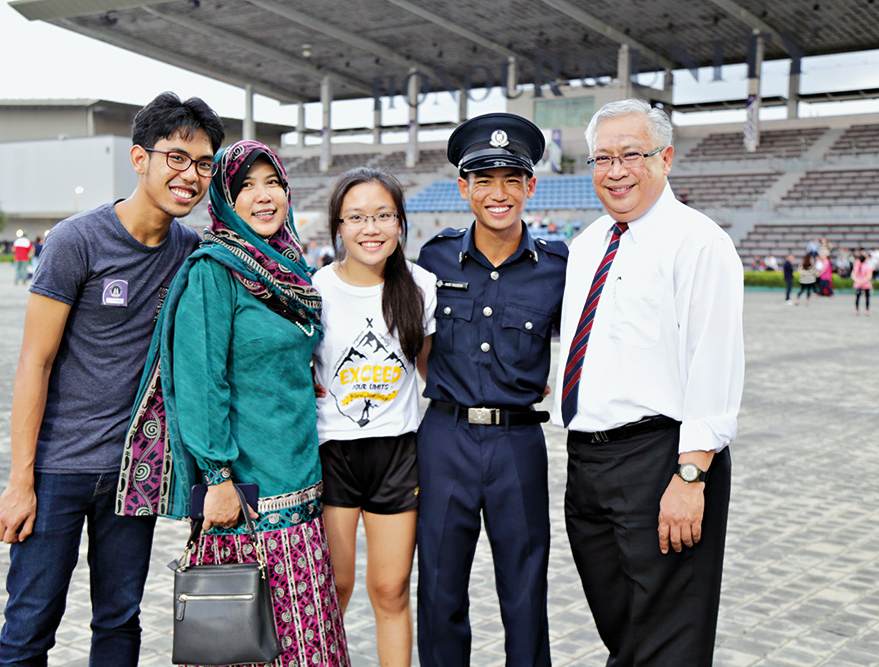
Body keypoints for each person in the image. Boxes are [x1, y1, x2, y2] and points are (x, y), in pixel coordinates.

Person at [0, 91, 224, 666]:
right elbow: (34, 362)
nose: (190, 176)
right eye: (176, 158)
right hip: (58, 470)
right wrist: (21, 481)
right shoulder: (78, 241)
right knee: (29, 626)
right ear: (139, 159)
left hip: (136, 475)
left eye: (203, 164)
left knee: (119, 622)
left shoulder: (191, 251)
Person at [117, 140, 351, 666]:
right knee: (251, 644)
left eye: (273, 183)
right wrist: (217, 478)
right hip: (246, 498)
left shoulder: (287, 267)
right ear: (224, 198)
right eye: (246, 185)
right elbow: (201, 382)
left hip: (301, 484)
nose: (263, 196)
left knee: (309, 643)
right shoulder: (214, 271)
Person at [554, 99, 744, 667]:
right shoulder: (588, 245)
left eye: (630, 155)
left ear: (665, 159)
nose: (615, 170)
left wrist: (690, 476)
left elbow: (714, 363)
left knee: (669, 639)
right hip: (587, 464)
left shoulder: (698, 242)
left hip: (662, 459)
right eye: (601, 158)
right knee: (626, 631)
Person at [414, 112, 567, 667]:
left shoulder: (558, 266)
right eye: (483, 180)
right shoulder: (432, 258)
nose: (497, 193)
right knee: (438, 586)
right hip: (444, 438)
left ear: (530, 186)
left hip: (518, 444)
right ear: (463, 187)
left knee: (525, 589)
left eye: (510, 180)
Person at [313, 167, 437, 667]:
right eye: (358, 217)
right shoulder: (314, 287)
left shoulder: (421, 286)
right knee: (334, 587)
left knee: (390, 589)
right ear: (338, 226)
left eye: (384, 215)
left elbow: (433, 372)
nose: (372, 228)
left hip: (397, 454)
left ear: (401, 223)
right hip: (332, 455)